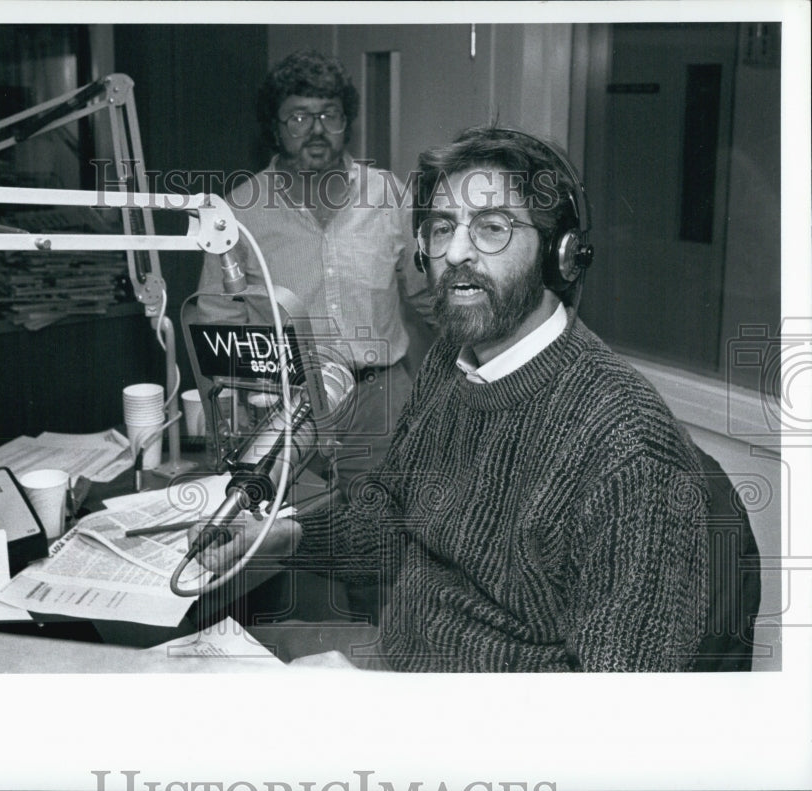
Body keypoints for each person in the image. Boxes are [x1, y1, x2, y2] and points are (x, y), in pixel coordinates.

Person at [194, 126, 711, 673]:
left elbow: (615, 719)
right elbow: (390, 525)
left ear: (560, 254)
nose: (456, 252)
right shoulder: (450, 361)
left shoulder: (628, 450)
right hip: (396, 658)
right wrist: (285, 535)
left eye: (492, 227)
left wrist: (392, 706)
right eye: (442, 228)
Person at [194, 49, 433, 499]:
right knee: (293, 539)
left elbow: (426, 294)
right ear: (275, 127)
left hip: (379, 399)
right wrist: (238, 408)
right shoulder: (240, 209)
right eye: (299, 117)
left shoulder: (388, 194)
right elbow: (217, 319)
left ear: (348, 120)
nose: (318, 129)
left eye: (330, 114)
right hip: (283, 406)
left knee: (383, 536)